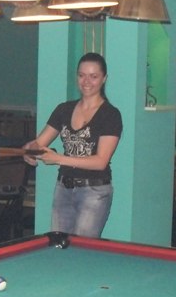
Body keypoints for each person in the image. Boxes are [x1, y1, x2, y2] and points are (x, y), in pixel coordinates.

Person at [23, 52, 122, 238]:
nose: (86, 81)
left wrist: (58, 159)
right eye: (82, 75)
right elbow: (39, 142)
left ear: (104, 79)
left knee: (82, 248)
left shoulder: (110, 115)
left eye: (93, 76)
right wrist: (30, 150)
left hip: (94, 192)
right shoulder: (64, 109)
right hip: (63, 188)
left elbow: (100, 162)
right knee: (58, 245)